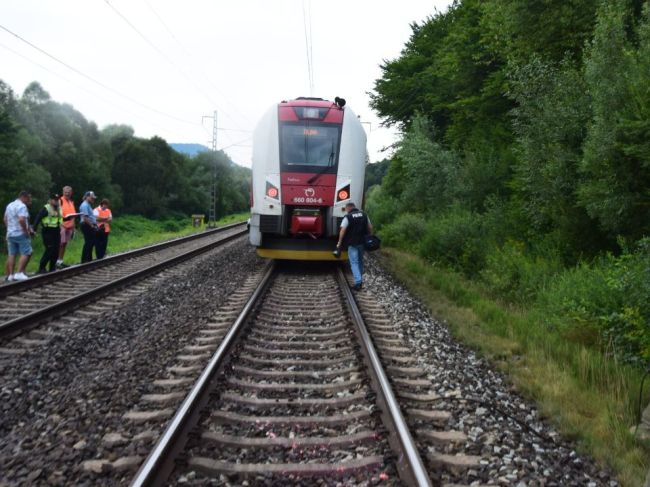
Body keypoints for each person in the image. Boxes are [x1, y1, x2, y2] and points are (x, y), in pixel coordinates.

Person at [335, 202, 373, 290]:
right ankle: (360, 280)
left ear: (348, 208)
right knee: (360, 261)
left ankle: (358, 282)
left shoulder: (348, 217)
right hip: (362, 243)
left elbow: (342, 230)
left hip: (352, 243)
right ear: (355, 207)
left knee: (354, 263)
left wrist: (339, 242)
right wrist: (370, 237)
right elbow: (370, 227)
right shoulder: (364, 214)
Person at [4, 190, 34, 281]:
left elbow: (5, 219)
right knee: (27, 252)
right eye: (28, 198)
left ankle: (10, 275)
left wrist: (10, 229)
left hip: (10, 233)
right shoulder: (22, 206)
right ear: (23, 197)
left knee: (12, 254)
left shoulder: (10, 205)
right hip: (20, 233)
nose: (29, 200)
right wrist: (25, 231)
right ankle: (19, 273)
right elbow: (21, 220)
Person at [33, 194, 65, 273]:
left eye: (57, 200)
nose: (56, 201)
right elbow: (38, 218)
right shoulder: (46, 208)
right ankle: (42, 267)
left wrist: (67, 219)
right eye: (54, 200)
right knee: (49, 249)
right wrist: (34, 228)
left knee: (56, 250)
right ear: (50, 200)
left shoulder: (59, 208)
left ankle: (52, 267)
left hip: (56, 230)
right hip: (47, 231)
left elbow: (60, 218)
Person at [57, 186, 76, 268]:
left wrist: (74, 226)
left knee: (64, 243)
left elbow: (73, 214)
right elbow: (57, 213)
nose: (67, 193)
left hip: (70, 226)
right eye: (65, 192)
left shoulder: (71, 202)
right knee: (60, 243)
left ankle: (60, 261)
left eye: (68, 192)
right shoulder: (60, 201)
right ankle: (56, 261)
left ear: (71, 193)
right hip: (62, 225)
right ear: (63, 192)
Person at [79, 191, 99, 263]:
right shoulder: (84, 205)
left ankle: (88, 259)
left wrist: (95, 224)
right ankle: (84, 260)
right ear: (87, 197)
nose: (93, 199)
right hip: (86, 225)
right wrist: (92, 226)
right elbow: (85, 217)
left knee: (91, 242)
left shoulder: (88, 205)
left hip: (89, 225)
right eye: (92, 198)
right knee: (89, 242)